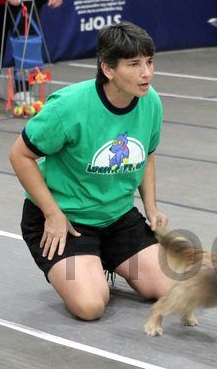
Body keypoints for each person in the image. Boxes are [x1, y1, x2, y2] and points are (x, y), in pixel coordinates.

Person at [9, 22, 170, 321]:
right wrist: (52, 214)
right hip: (66, 222)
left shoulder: (151, 102)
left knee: (167, 287)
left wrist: (151, 207)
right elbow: (19, 155)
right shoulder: (68, 106)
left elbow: (146, 154)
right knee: (91, 306)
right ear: (108, 69)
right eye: (134, 64)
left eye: (149, 62)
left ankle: (106, 257)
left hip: (117, 218)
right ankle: (85, 261)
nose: (146, 73)